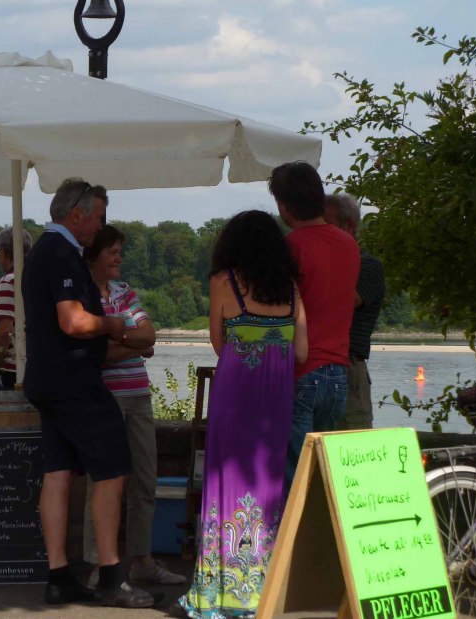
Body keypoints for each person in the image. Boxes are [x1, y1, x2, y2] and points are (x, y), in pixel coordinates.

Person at [22, 177, 154, 608]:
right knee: (113, 470)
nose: (101, 226)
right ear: (76, 214)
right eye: (98, 217)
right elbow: (73, 322)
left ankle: (59, 575)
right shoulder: (61, 254)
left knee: (59, 473)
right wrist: (113, 325)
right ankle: (112, 578)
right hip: (74, 380)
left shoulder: (44, 251)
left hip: (46, 378)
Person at [175, 210, 307, 619]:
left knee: (225, 480)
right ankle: (260, 588)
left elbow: (219, 343)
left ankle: (223, 590)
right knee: (266, 484)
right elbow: (302, 352)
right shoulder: (291, 289)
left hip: (235, 394)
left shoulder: (222, 283)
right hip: (275, 398)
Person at [80, 225, 187, 587]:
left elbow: (150, 335)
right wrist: (133, 344)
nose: (119, 257)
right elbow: (97, 356)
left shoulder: (125, 292)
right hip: (103, 399)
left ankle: (141, 559)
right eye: (113, 250)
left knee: (145, 481)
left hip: (139, 396)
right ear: (93, 254)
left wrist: (118, 338)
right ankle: (99, 565)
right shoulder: (82, 299)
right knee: (103, 484)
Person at [271, 162, 359, 488]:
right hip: (338, 373)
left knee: (294, 479)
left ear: (283, 205)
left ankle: (290, 540)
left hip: (300, 371)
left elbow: (280, 310)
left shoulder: (290, 246)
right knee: (321, 477)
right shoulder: (349, 245)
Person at [324, 194, 386, 431]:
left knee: (350, 441)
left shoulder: (368, 266)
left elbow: (341, 302)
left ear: (349, 225)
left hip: (348, 366)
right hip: (314, 367)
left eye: (326, 224)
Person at [0, 227, 33, 389]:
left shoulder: (9, 281)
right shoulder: (35, 277)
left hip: (11, 368)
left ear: (3, 252)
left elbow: (4, 331)